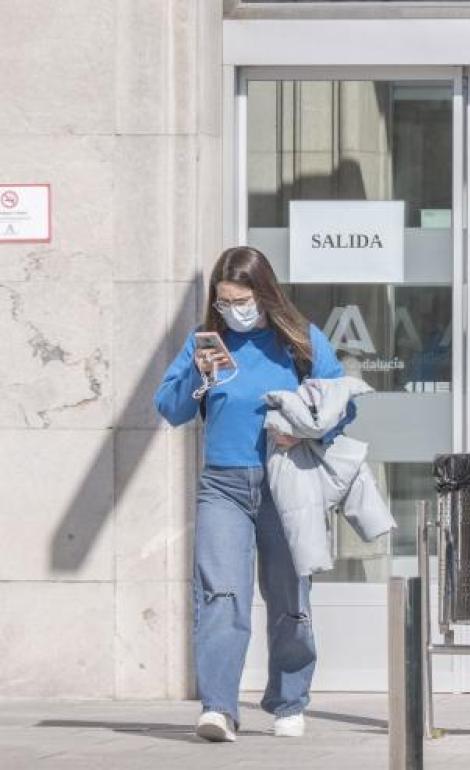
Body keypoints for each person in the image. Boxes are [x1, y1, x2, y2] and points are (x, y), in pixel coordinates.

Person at [155, 246, 351, 743]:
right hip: (223, 483)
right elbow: (171, 409)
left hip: (285, 479)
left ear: (263, 294)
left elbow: (340, 406)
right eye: (223, 302)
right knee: (220, 593)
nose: (232, 310)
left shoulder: (300, 340)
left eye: (241, 300)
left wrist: (303, 431)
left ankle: (289, 700)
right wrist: (199, 375)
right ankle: (218, 707)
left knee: (288, 594)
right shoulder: (206, 345)